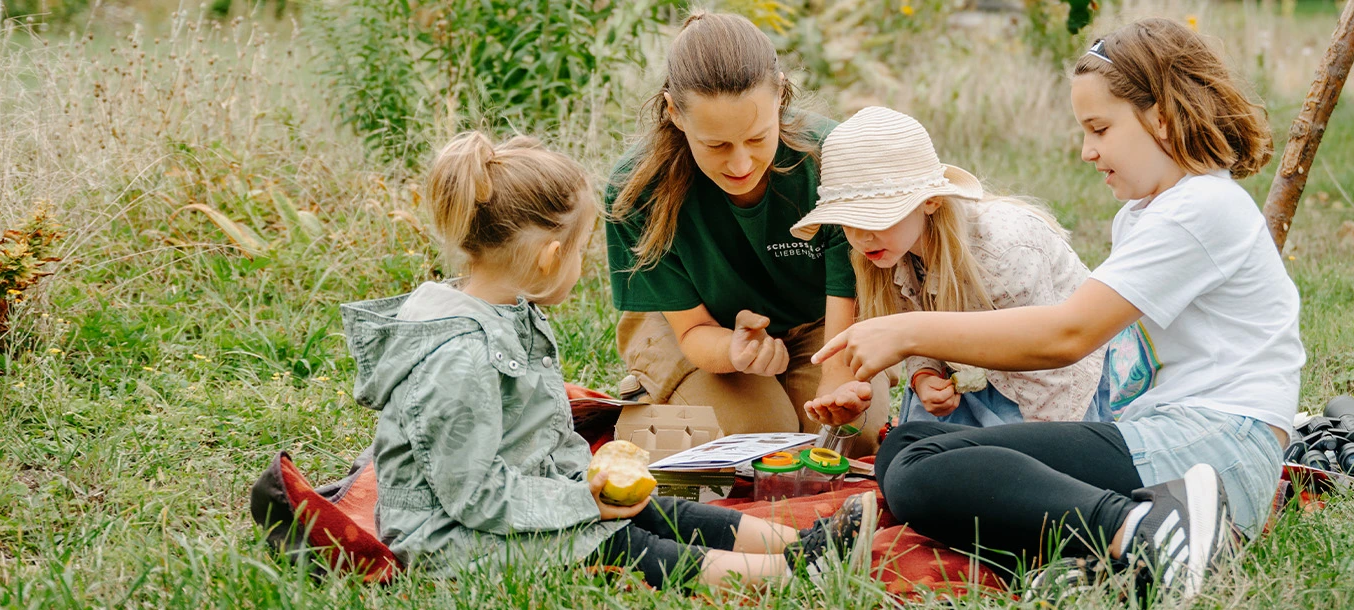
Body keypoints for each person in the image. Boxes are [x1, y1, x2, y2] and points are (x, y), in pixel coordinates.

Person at [802, 18, 1295, 604]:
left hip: (1219, 446)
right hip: (1165, 434)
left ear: (1161, 117)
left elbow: (1069, 335)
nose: (1087, 151)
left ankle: (1148, 530)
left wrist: (907, 333)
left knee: (919, 467)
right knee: (905, 451)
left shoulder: (1202, 208)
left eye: (1100, 129)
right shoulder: (1148, 213)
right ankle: (1118, 541)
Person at [350, 132, 869, 590]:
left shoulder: (509, 313)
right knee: (620, 545)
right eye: (578, 252)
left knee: (653, 506)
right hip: (453, 541)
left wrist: (589, 484)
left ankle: (798, 541)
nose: (581, 264)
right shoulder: (457, 357)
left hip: (529, 496)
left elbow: (535, 439)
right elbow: (472, 496)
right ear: (550, 257)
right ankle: (785, 574)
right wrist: (583, 504)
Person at [603, 12, 882, 450]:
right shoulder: (635, 189)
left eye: (757, 138)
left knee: (848, 437)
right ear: (675, 113)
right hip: (694, 325)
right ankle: (647, 402)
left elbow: (849, 294)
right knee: (759, 439)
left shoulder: (832, 158)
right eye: (716, 145)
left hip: (820, 321)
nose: (740, 165)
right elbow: (694, 331)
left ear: (781, 96)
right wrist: (735, 351)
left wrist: (835, 373)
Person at [789, 106, 1128, 427]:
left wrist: (1041, 445)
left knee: (990, 470)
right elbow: (916, 331)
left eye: (877, 217)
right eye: (848, 223)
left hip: (1049, 385)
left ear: (930, 202)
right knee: (907, 453)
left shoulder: (1002, 249)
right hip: (970, 379)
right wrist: (924, 374)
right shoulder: (888, 253)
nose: (862, 236)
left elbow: (1051, 361)